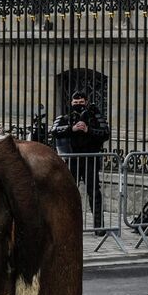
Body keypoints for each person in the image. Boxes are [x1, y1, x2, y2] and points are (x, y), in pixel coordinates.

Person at [50, 90, 111, 225]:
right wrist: (72, 129)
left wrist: (88, 130)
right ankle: (66, 222)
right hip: (72, 160)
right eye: (76, 102)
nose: (78, 104)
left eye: (81, 102)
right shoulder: (65, 118)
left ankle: (98, 225)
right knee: (68, 191)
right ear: (71, 103)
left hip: (90, 159)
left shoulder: (94, 116)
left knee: (94, 192)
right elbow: (54, 131)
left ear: (86, 102)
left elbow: (105, 132)